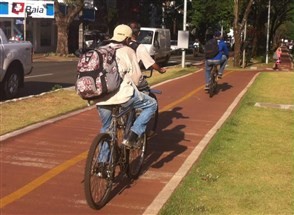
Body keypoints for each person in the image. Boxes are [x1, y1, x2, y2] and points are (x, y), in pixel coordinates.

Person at [95, 24, 157, 149]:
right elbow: (136, 78)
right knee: (151, 104)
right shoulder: (128, 51)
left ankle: (102, 164)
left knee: (107, 129)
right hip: (122, 96)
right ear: (128, 39)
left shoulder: (101, 49)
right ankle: (133, 135)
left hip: (100, 96)